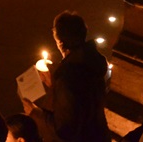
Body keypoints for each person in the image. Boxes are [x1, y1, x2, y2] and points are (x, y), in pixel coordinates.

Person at [23, 12, 109, 142]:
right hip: (98, 135)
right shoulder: (93, 62)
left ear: (60, 43)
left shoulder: (68, 76)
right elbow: (82, 102)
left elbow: (65, 130)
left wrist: (35, 113)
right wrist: (54, 85)